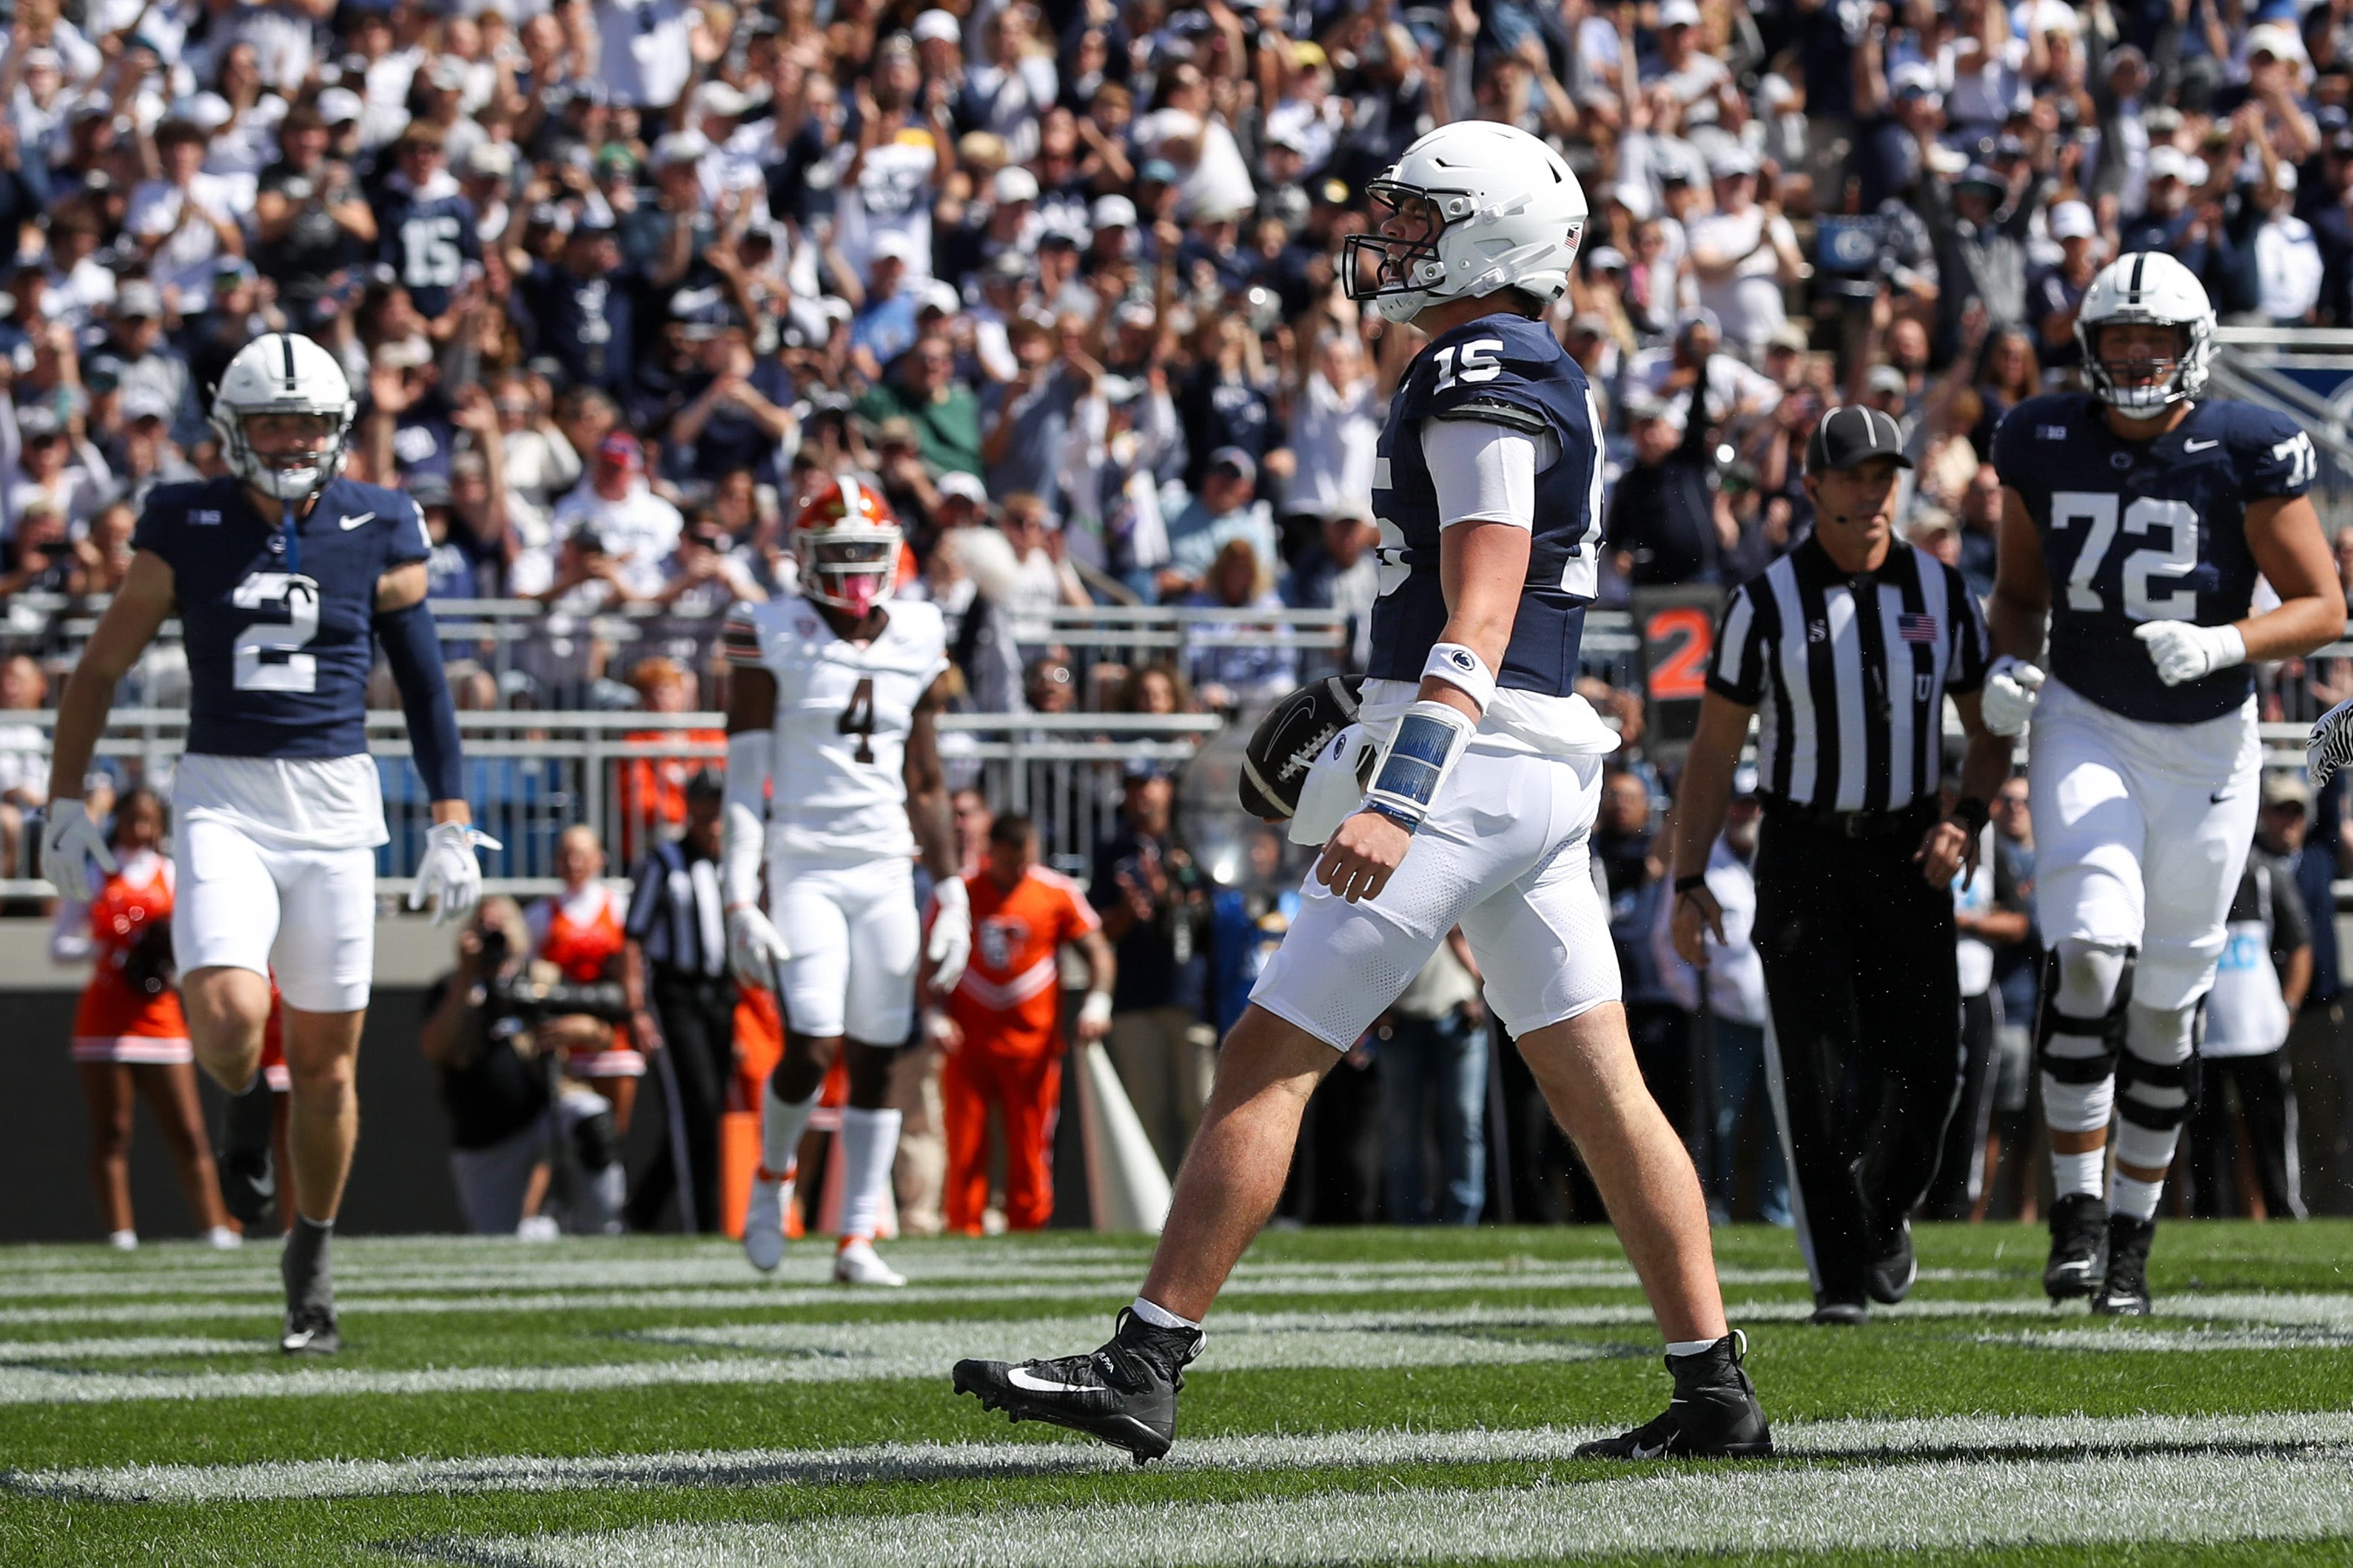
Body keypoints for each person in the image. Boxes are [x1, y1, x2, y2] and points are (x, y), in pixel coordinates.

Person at [956, 122, 1769, 1464]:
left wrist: (1405, 778)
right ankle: (1712, 1384)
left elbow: (1487, 591)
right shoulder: (1524, 359)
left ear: (1490, 234)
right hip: (1528, 758)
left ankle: (1145, 1356)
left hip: (1466, 754)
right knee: (1601, 1091)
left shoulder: (1481, 360)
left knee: (1266, 1057)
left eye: (1417, 217)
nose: (1388, 240)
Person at [41, 332, 493, 1354]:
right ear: (231, 429)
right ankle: (243, 1106)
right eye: (272, 422)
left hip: (335, 803)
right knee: (233, 1013)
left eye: (308, 423)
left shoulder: (379, 519)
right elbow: (100, 667)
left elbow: (423, 682)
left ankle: (312, 1256)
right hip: (224, 796)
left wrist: (452, 815)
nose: (291, 440)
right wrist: (63, 800)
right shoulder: (183, 518)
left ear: (336, 431)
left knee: (330, 1069)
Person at [1980, 253, 2340, 1314]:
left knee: (2167, 994)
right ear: (2091, 345)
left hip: (2206, 747)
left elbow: (2318, 603)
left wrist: (2226, 639)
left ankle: (2132, 1236)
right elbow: (2013, 593)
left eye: (2155, 337)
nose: (2135, 355)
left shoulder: (2241, 448)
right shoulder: (2038, 436)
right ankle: (2078, 1214)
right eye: (2119, 336)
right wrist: (2007, 664)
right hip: (2085, 717)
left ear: (2193, 347)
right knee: (2087, 950)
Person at [1672, 405, 2007, 1326]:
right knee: (1814, 1072)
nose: (1870, 491)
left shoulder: (1942, 594)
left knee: (1931, 1068)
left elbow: (1988, 736)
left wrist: (1966, 818)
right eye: (1852, 474)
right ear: (1812, 486)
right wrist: (1686, 876)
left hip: (1908, 848)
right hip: (1803, 849)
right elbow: (1709, 752)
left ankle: (1885, 1205)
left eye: (1883, 474)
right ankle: (1837, 1281)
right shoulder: (1763, 602)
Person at [722, 477, 968, 1286]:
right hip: (804, 862)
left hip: (885, 864)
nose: (857, 573)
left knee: (877, 1052)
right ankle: (773, 1177)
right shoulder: (771, 631)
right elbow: (743, 779)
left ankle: (856, 1235)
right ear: (803, 560)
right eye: (840, 556)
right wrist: (736, 893)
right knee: (812, 1038)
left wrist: (952, 886)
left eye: (868, 553)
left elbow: (925, 778)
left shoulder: (918, 631)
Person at [50, 787, 239, 1251]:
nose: (140, 829)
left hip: (161, 1019)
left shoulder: (173, 875)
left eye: (149, 820)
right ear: (119, 821)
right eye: (132, 819)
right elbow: (58, 945)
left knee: (189, 1131)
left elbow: (198, 939)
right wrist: (109, 950)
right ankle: (121, 1232)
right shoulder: (96, 872)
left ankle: (214, 1228)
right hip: (105, 1021)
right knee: (112, 1130)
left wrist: (166, 964)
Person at [930, 811, 1115, 1234]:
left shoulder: (1055, 891)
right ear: (990, 851)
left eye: (1024, 860)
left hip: (1032, 1049)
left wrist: (1098, 1000)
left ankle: (1029, 1230)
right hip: (969, 1041)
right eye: (1011, 860)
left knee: (1031, 1150)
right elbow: (928, 957)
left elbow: (1098, 951)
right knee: (965, 1148)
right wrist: (933, 1013)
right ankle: (964, 1228)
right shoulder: (962, 891)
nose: (1018, 870)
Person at [420, 898, 630, 1236]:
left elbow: (604, 1032)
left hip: (546, 1111)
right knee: (495, 1238)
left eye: (500, 926)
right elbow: (434, 1047)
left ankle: (605, 1225)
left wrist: (582, 1030)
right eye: (483, 928)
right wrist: (466, 976)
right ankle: (541, 1227)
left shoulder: (541, 978)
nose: (493, 936)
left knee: (592, 1118)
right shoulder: (451, 987)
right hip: (486, 1135)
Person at [2189, 773, 2313, 1219]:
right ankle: (2205, 1217)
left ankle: (2283, 1210)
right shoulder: (2189, 872)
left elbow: (2300, 943)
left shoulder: (2264, 873)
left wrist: (2288, 1008)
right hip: (2204, 1032)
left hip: (2258, 1030)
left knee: (2271, 1130)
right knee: (2203, 1134)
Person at [620, 772, 734, 1235]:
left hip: (723, 997)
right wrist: (638, 1010)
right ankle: (702, 1225)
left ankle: (641, 1212)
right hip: (677, 997)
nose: (713, 819)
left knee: (707, 1113)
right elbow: (633, 940)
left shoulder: (735, 864)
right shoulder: (664, 862)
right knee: (697, 1108)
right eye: (705, 806)